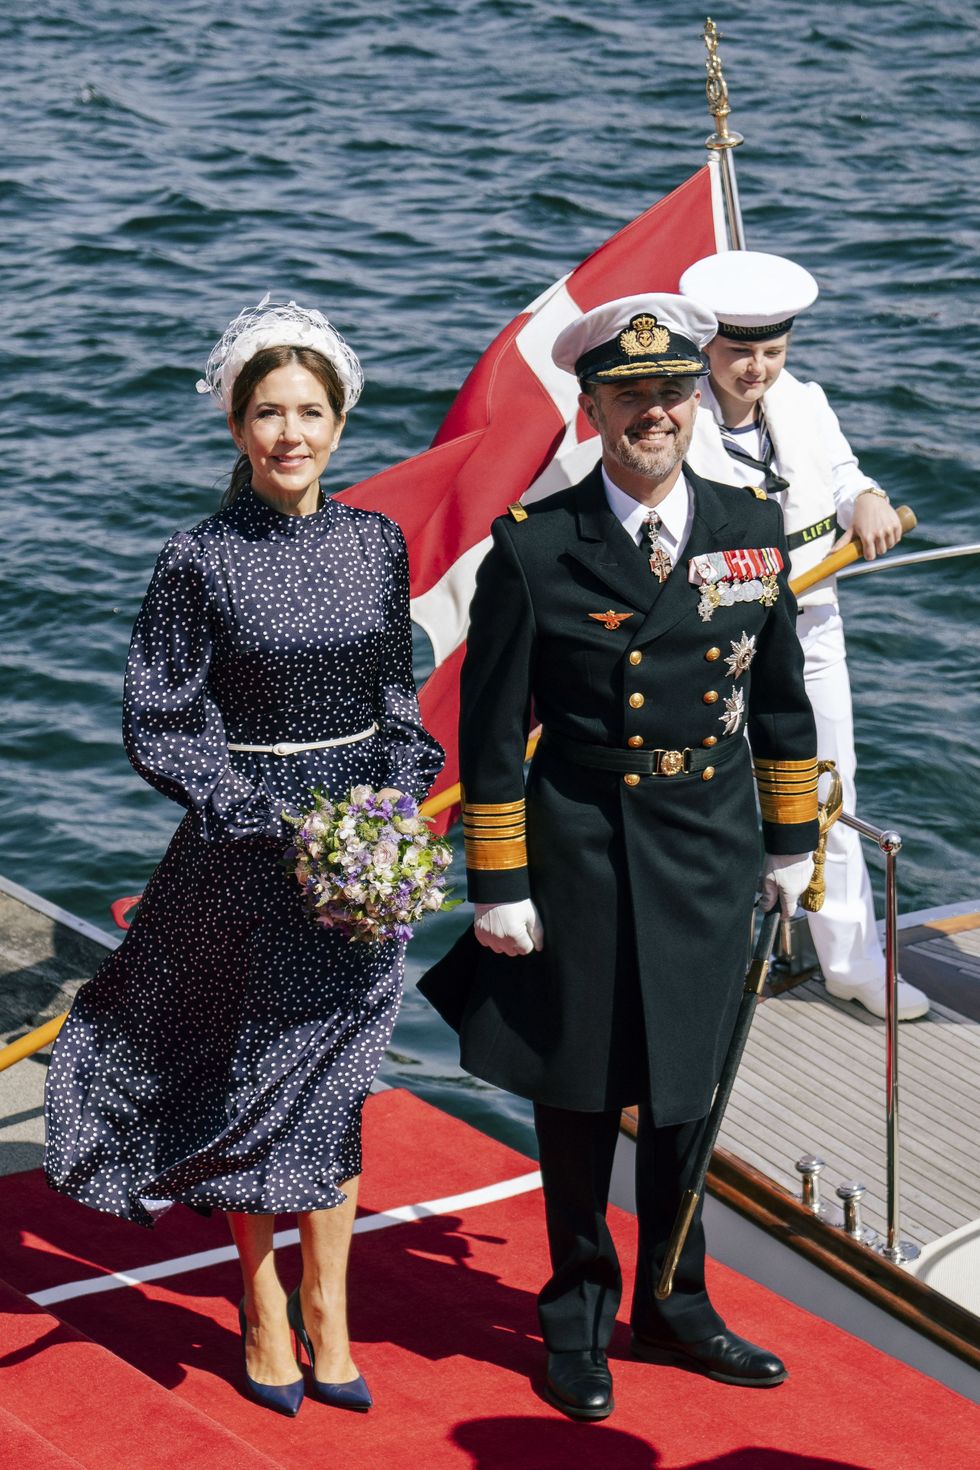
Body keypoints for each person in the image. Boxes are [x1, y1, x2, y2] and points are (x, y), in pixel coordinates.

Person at [43, 299, 443, 1417]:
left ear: (339, 423)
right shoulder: (194, 559)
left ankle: (330, 1312)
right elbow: (160, 721)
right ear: (234, 425)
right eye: (266, 412)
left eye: (308, 412)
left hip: (361, 858)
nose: (289, 433)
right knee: (254, 1076)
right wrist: (265, 818)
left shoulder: (376, 544)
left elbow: (393, 700)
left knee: (337, 1080)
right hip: (245, 851)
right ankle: (262, 1307)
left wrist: (394, 801)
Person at [440, 295, 819, 1420]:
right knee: (578, 1089)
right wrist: (498, 882)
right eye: (628, 394)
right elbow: (493, 732)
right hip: (582, 848)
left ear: (693, 398)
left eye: (670, 390)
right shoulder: (536, 547)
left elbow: (781, 705)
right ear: (590, 407)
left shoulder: (751, 527)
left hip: (706, 843)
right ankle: (575, 1315)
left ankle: (673, 1303)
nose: (652, 412)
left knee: (686, 1091)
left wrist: (789, 840)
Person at [679, 251, 928, 1022]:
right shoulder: (675, 417)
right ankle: (705, 970)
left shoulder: (807, 402)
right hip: (717, 644)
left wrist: (868, 498)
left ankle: (854, 962)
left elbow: (843, 471)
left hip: (813, 628)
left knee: (829, 786)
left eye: (773, 351)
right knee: (711, 801)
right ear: (706, 349)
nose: (757, 368)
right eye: (739, 351)